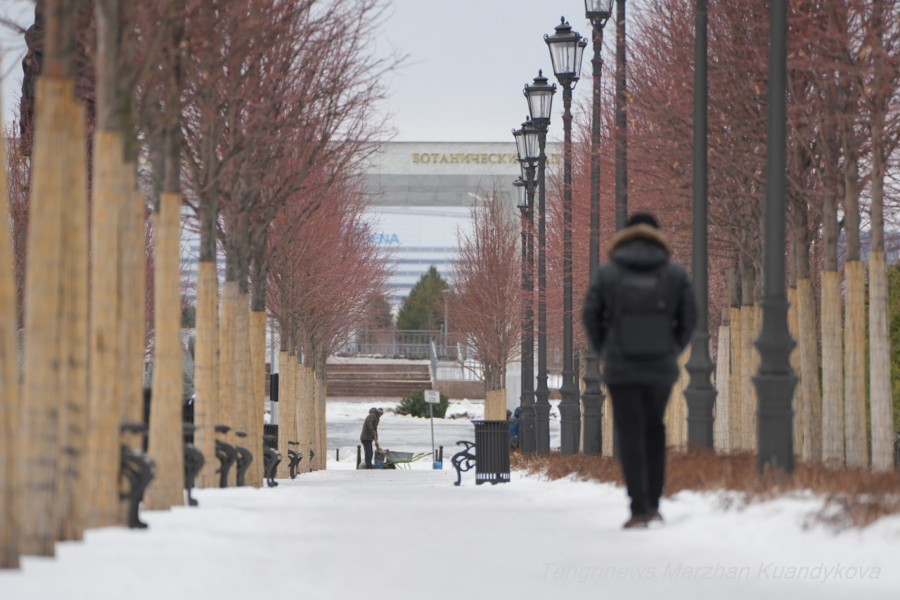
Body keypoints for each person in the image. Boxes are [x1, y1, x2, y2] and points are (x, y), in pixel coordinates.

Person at [582, 212, 697, 529]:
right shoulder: (674, 274)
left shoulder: (608, 273)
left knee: (630, 434)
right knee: (654, 430)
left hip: (622, 367)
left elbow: (590, 314)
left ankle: (639, 508)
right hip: (660, 366)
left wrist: (606, 347)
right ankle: (655, 503)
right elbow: (690, 317)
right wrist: (671, 346)